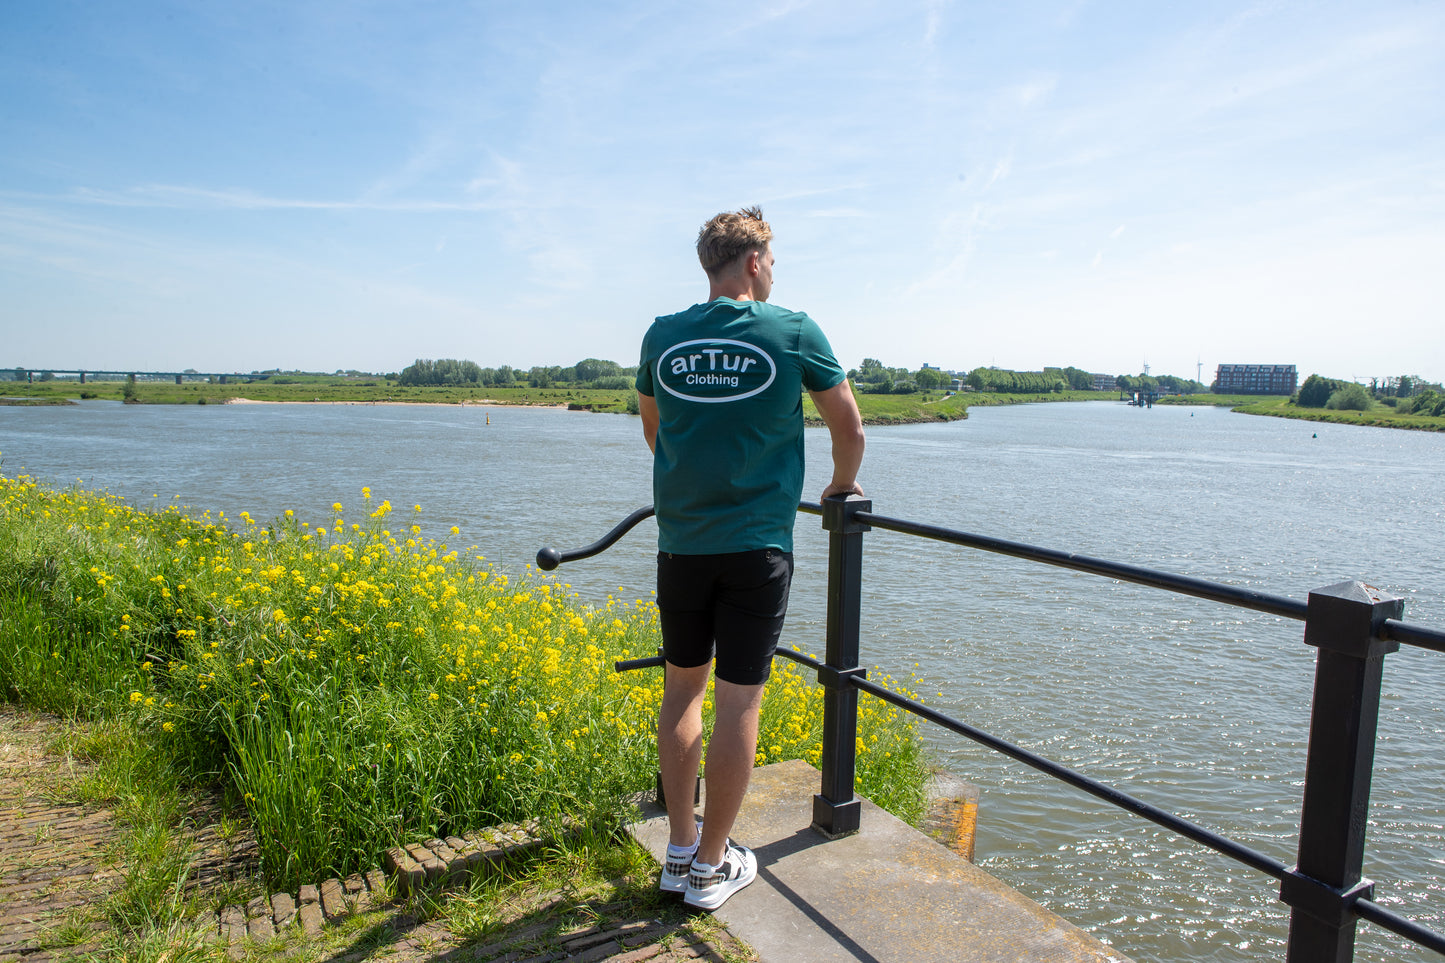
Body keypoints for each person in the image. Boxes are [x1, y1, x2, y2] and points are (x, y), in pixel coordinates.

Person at [635, 206, 865, 910]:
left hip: (682, 541)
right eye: (773, 261)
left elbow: (654, 430)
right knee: (739, 699)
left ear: (709, 264)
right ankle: (712, 864)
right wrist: (838, 485)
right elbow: (848, 427)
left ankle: (677, 853)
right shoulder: (791, 329)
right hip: (758, 544)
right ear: (757, 262)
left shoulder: (663, 335)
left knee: (681, 692)